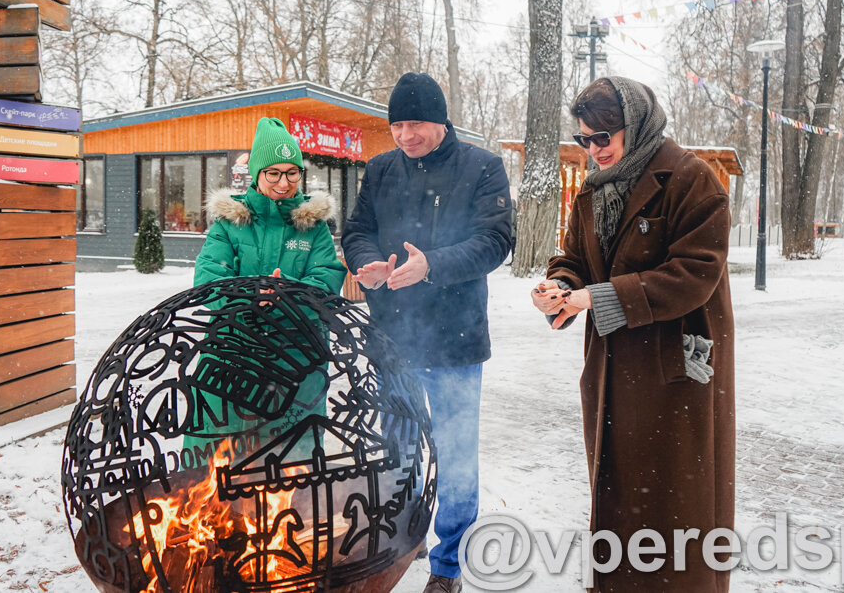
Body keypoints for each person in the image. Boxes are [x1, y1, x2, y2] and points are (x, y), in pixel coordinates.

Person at [531, 77, 735, 592]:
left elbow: (694, 274)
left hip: (675, 373)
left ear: (637, 125)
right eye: (584, 139)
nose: (594, 149)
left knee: (677, 512)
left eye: (604, 137)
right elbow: (575, 257)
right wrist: (560, 285)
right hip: (610, 371)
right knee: (619, 498)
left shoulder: (693, 181)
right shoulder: (593, 189)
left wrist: (601, 298)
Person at [342, 72, 512, 593]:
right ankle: (400, 540)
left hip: (456, 341)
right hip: (393, 340)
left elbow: (496, 240)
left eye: (415, 123)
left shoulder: (482, 167)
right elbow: (357, 230)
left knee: (456, 453)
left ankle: (448, 565)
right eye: (396, 125)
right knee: (396, 450)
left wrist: (431, 265)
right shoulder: (380, 169)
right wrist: (367, 263)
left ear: (440, 121)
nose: (405, 135)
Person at [188, 116, 347, 456]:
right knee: (221, 455)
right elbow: (208, 280)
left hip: (297, 356)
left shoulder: (314, 227)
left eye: (292, 172)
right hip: (233, 354)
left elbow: (327, 282)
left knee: (293, 458)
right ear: (257, 176)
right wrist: (252, 295)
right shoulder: (229, 223)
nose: (283, 182)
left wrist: (284, 293)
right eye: (273, 173)